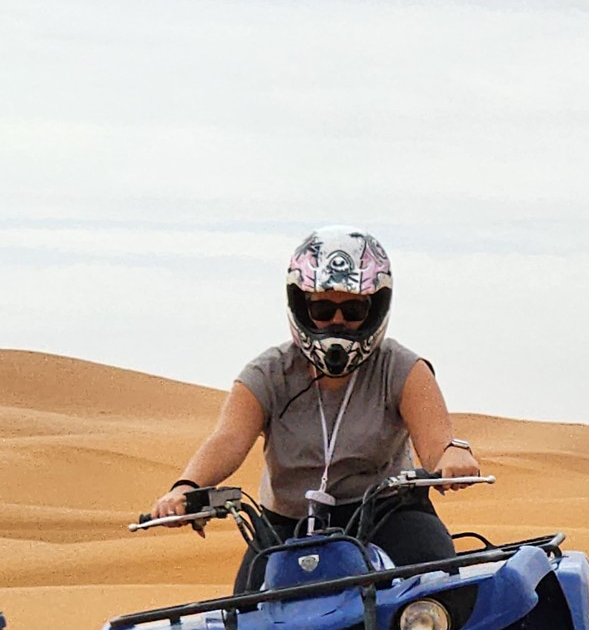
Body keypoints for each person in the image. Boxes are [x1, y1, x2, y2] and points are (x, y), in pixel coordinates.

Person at [150, 225, 480, 588]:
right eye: (322, 308)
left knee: (444, 588)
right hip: (285, 527)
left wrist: (451, 456)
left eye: (353, 308)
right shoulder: (267, 373)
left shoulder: (402, 368)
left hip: (388, 515)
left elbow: (437, 443)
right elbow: (227, 439)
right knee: (244, 618)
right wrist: (186, 486)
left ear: (376, 308)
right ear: (301, 306)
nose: (337, 322)